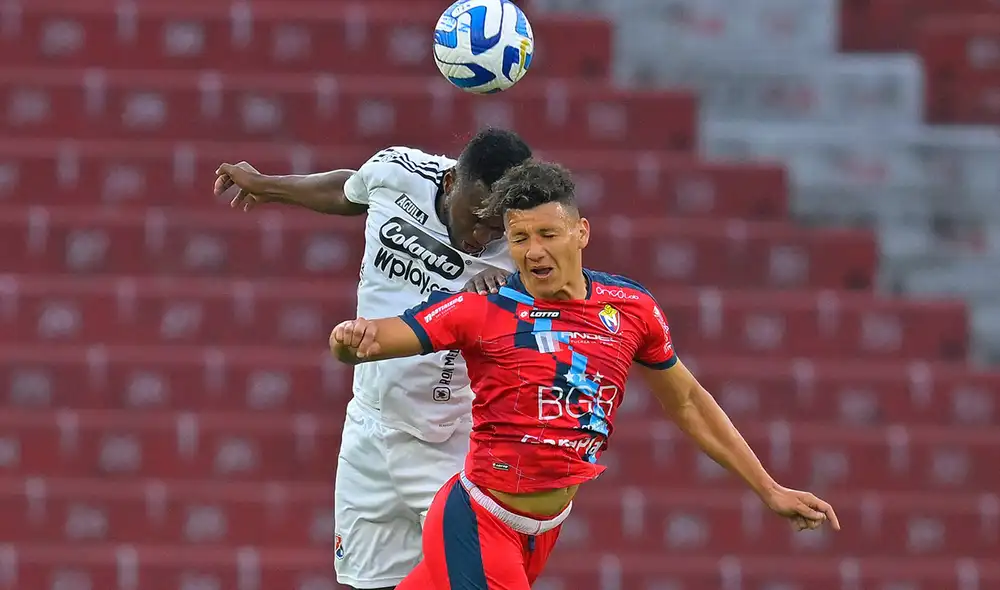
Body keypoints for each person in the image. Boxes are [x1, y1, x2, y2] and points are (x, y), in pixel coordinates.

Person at [328, 160, 841, 590]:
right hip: (477, 518)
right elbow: (383, 336)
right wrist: (351, 343)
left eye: (547, 234)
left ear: (581, 232)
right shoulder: (482, 309)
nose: (533, 251)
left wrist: (769, 488)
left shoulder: (632, 309)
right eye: (520, 237)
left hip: (543, 530)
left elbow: (686, 401)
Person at [214, 129, 530, 590]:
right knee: (370, 583)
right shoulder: (399, 172)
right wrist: (268, 185)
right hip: (369, 428)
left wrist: (511, 298)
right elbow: (349, 191)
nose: (483, 236)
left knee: (475, 581)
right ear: (450, 185)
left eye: (496, 226)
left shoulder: (523, 250)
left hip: (452, 443)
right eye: (476, 218)